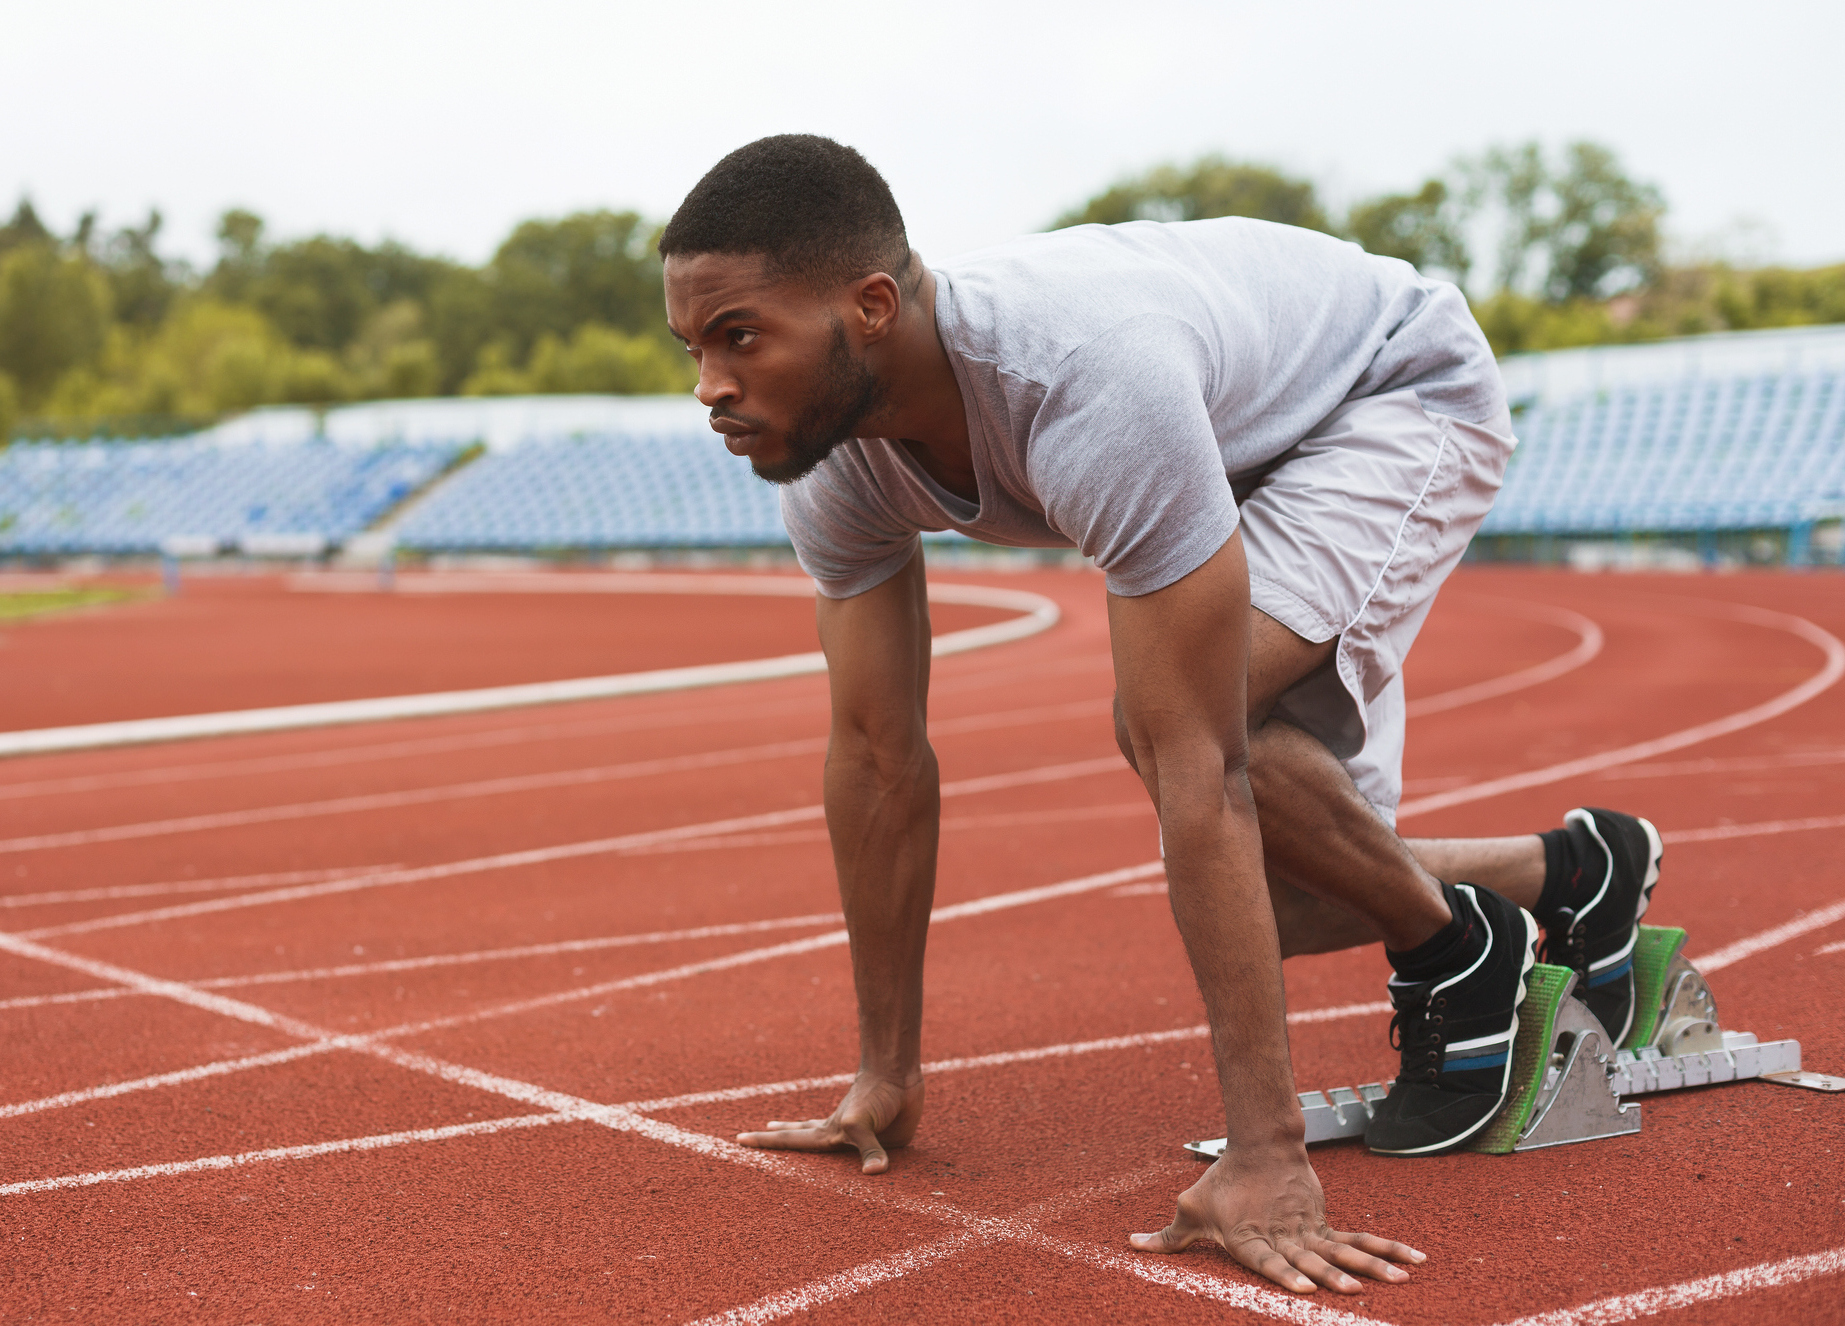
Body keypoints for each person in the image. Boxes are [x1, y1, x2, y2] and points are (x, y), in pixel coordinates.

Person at [658, 135, 1663, 1296]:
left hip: (1381, 393)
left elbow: (1201, 764)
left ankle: (1450, 941)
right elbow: (879, 756)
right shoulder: (834, 456)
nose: (710, 387)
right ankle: (1561, 877)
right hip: (1222, 424)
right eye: (692, 347)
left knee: (1172, 727)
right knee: (1275, 903)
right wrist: (885, 1074)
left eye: (740, 337)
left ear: (871, 307)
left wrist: (1266, 1157)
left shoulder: (1081, 376)